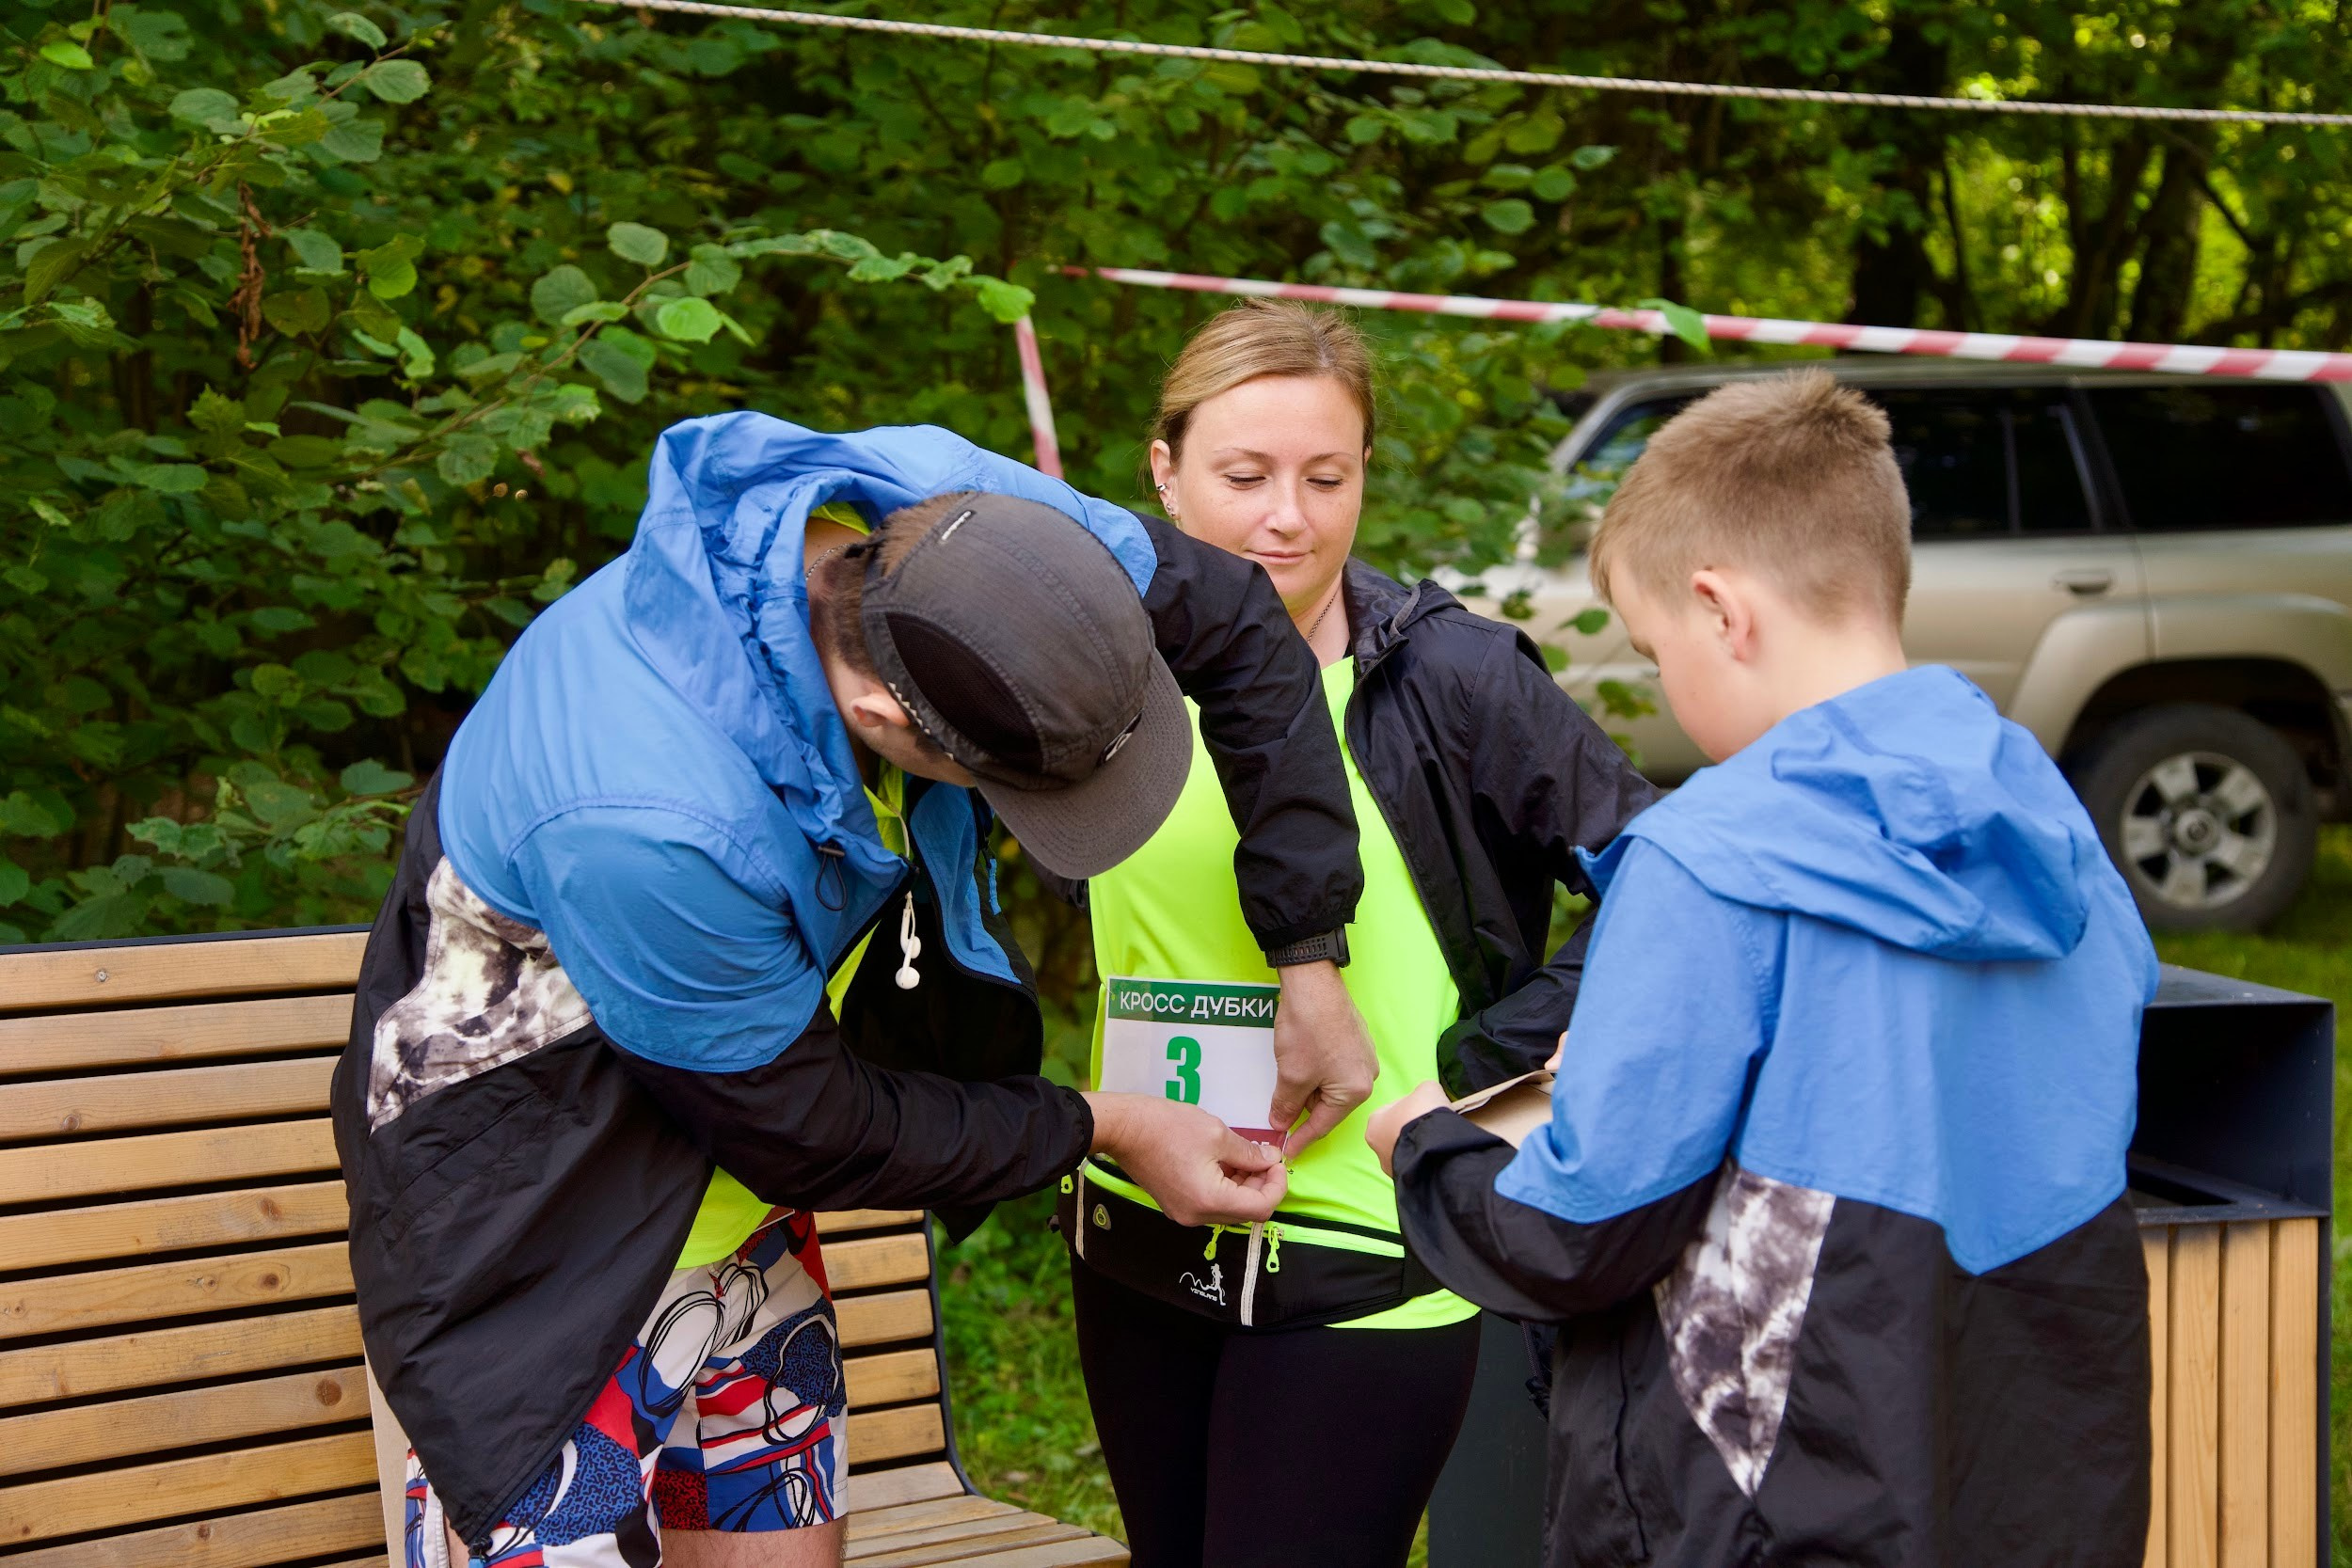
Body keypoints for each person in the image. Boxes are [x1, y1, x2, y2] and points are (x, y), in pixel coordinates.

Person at [332, 413, 1381, 1568]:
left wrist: (1306, 950)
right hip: (536, 1233)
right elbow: (806, 1125)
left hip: (735, 1205)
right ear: (884, 718)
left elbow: (1233, 621)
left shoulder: (964, 524)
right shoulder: (652, 817)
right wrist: (1108, 1125)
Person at [1369, 370, 2160, 1568]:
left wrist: (1424, 1143)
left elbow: (1580, 1233)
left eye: (1651, 644)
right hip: (2031, 1467)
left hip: (1767, 1494)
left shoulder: (1707, 856)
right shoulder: (2040, 815)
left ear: (1721, 609)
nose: (1658, 681)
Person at [1056, 301, 1660, 1568]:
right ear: (1162, 472)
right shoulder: (1097, 675)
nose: (1289, 515)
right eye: (1245, 475)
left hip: (1364, 1246)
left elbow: (1675, 887)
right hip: (1139, 1216)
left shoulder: (1451, 679)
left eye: (1326, 477)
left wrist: (1478, 1074)